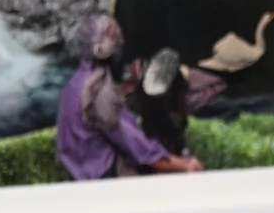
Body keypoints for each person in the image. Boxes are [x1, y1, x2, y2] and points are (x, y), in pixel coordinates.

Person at [55, 14, 200, 180]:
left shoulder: (74, 84)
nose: (120, 43)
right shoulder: (100, 93)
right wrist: (186, 165)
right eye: (115, 38)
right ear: (101, 49)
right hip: (109, 183)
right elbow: (143, 151)